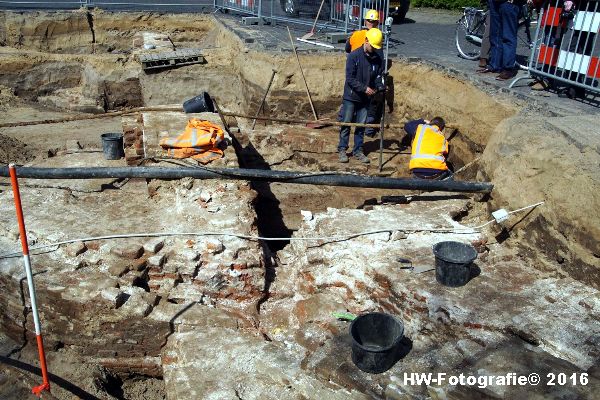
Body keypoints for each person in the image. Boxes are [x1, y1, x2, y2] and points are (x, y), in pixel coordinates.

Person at [338, 28, 384, 164]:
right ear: (366, 41)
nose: (374, 49)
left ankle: (358, 150)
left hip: (365, 99)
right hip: (351, 97)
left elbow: (377, 77)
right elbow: (350, 78)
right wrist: (364, 88)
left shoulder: (377, 59)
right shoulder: (353, 56)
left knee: (361, 125)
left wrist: (379, 86)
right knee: (346, 123)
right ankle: (342, 149)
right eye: (372, 46)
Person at [478, 0, 524, 81]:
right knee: (495, 35)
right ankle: (494, 65)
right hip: (495, 2)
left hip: (509, 4)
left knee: (508, 36)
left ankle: (508, 69)